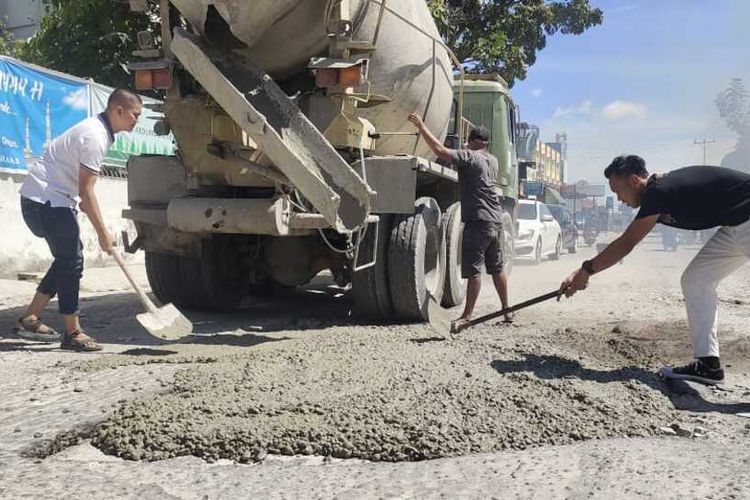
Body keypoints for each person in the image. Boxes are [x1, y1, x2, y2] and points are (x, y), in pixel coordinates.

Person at [560, 155, 750, 385]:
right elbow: (624, 242)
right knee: (695, 280)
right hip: (735, 227)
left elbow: (626, 243)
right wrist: (585, 271)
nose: (619, 199)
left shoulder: (657, 192)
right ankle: (708, 365)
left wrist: (585, 271)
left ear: (633, 181)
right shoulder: (657, 194)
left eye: (618, 191)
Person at [14, 88, 143, 351]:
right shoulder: (95, 136)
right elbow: (87, 192)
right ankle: (72, 333)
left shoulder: (99, 131)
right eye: (135, 114)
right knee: (71, 261)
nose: (136, 120)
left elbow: (84, 195)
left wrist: (93, 219)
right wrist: (103, 233)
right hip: (46, 200)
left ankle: (30, 318)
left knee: (69, 258)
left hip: (49, 198)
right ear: (118, 110)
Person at [408, 113, 512, 327]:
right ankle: (506, 310)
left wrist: (421, 126)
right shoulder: (492, 160)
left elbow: (440, 151)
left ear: (473, 142)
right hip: (495, 219)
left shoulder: (470, 156)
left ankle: (467, 316)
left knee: (474, 271)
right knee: (497, 268)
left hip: (478, 220)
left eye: (468, 142)